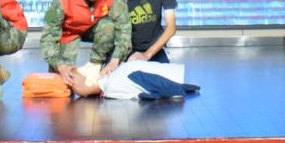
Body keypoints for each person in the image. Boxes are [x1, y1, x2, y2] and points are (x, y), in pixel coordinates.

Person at [42, 0, 132, 85]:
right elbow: (48, 37)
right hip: (68, 33)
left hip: (95, 30)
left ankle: (96, 64)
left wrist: (115, 60)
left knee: (108, 25)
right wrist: (59, 66)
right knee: (63, 81)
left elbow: (124, 28)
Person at [67, 59, 197, 100]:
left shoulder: (117, 77)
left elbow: (153, 81)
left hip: (177, 76)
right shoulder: (109, 90)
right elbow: (135, 94)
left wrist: (179, 88)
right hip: (175, 80)